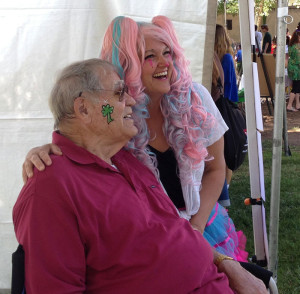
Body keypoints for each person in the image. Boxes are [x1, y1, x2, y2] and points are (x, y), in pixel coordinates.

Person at [14, 58, 268, 294]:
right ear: (83, 108)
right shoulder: (51, 187)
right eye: (118, 93)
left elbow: (178, 229)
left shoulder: (125, 160)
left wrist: (228, 265)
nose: (132, 102)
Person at [24, 16, 246, 261]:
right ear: (125, 66)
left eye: (167, 52)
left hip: (203, 227)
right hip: (149, 239)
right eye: (149, 56)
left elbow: (216, 169)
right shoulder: (114, 116)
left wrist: (197, 226)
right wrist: (46, 149)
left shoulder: (195, 99)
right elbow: (82, 145)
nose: (164, 63)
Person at [286, 30, 300, 112]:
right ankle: (289, 105)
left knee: (297, 87)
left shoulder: (291, 45)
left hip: (292, 68)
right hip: (296, 69)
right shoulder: (297, 47)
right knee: (295, 87)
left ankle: (298, 104)